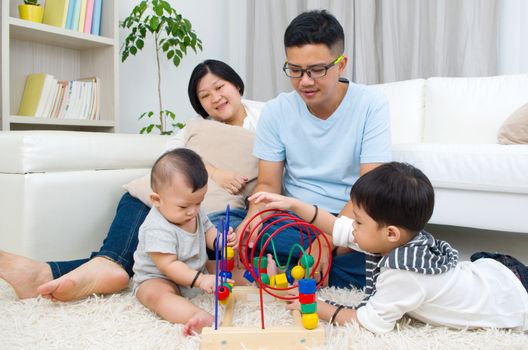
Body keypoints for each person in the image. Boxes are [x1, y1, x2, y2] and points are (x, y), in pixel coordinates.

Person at [0, 59, 262, 302]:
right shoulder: (196, 126)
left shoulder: (265, 117)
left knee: (165, 251)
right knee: (142, 198)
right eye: (205, 96)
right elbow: (168, 157)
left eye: (220, 87)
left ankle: (53, 272)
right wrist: (215, 172)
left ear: (236, 84)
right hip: (167, 199)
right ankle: (100, 267)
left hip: (211, 212)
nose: (215, 98)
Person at [249, 162, 528, 334]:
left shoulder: (404, 273)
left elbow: (369, 323)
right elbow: (336, 228)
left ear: (390, 233)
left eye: (357, 221)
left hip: (513, 297)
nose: (352, 227)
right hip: (493, 270)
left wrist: (317, 306)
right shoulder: (398, 239)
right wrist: (293, 204)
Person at [237, 10, 391, 288]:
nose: (305, 81)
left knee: (393, 241)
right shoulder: (275, 111)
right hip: (295, 219)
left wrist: (329, 237)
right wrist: (252, 220)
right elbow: (268, 184)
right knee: (229, 227)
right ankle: (320, 267)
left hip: (354, 219)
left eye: (317, 70)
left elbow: (369, 190)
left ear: (341, 64)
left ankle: (291, 266)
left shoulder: (371, 105)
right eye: (295, 70)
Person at [132, 148, 240, 335]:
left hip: (197, 268)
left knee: (229, 270)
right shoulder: (156, 227)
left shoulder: (193, 211)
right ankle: (196, 316)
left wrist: (220, 241)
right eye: (184, 206)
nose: (193, 211)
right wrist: (200, 280)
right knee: (158, 296)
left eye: (198, 202)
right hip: (159, 278)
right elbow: (169, 266)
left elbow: (208, 231)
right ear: (157, 200)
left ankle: (264, 276)